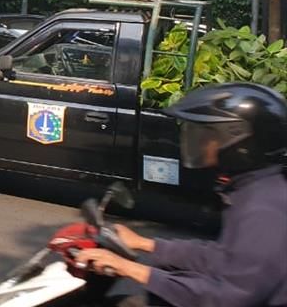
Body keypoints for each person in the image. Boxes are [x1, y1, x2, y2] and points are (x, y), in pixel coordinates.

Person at [74, 82, 287, 307]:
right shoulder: (255, 189)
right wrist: (145, 243)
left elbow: (230, 297)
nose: (197, 142)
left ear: (240, 141)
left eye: (206, 135)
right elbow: (224, 258)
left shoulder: (264, 207)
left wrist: (130, 268)